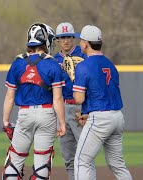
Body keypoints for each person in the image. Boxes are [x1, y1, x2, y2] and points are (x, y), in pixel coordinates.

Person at [1, 22, 66, 180]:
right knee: (42, 164)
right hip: (47, 114)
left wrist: (5, 121)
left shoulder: (17, 62)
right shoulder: (52, 64)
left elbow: (9, 96)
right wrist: (62, 123)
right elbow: (57, 99)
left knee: (14, 162)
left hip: (24, 113)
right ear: (46, 41)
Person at [73, 25, 133, 180]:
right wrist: (88, 112)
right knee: (117, 164)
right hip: (117, 117)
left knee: (82, 161)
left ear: (86, 44)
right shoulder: (111, 65)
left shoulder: (83, 66)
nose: (80, 43)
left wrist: (74, 80)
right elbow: (106, 93)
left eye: (81, 40)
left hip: (100, 120)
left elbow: (79, 98)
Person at [53, 22, 95, 180]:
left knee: (86, 155)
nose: (66, 40)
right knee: (69, 157)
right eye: (62, 37)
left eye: (69, 37)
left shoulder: (83, 55)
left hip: (80, 107)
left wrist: (87, 109)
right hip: (62, 109)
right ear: (57, 40)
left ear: (74, 38)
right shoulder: (54, 59)